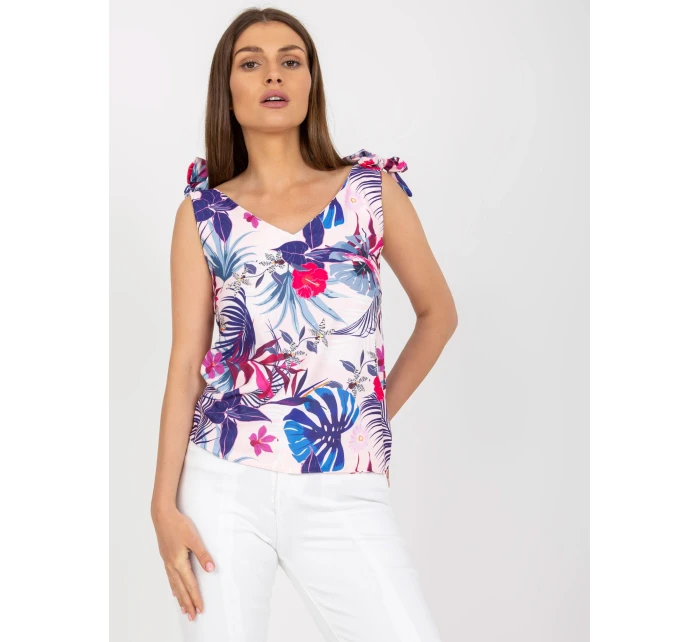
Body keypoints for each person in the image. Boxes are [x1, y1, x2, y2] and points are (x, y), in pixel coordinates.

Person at [151, 7, 458, 641]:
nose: (274, 74)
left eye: (290, 61)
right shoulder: (204, 215)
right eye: (251, 62)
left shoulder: (370, 192)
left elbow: (438, 315)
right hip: (222, 479)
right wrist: (162, 505)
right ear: (227, 89)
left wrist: (372, 416)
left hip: (344, 484)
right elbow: (186, 363)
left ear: (310, 82)